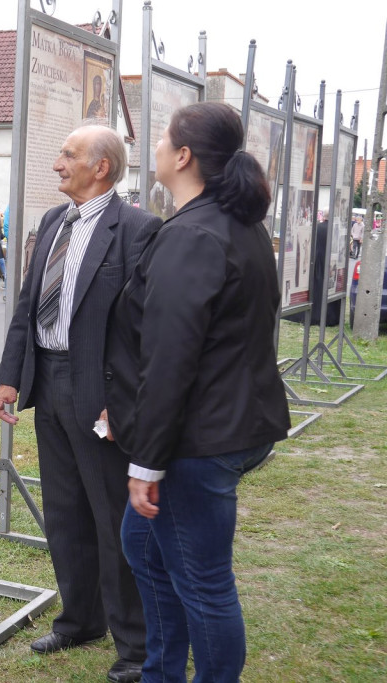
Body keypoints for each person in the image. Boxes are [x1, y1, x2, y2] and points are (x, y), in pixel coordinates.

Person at [102, 102, 290, 682]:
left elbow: (171, 360)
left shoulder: (195, 234)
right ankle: (162, 672)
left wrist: (148, 463)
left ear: (183, 156)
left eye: (162, 139)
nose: (155, 146)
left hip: (197, 441)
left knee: (205, 585)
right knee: (143, 547)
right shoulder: (232, 224)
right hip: (220, 425)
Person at [0, 124, 161, 683]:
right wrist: (11, 375)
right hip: (49, 385)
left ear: (102, 168)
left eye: (68, 154)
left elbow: (144, 331)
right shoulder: (51, 221)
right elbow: (27, 305)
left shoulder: (137, 229)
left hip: (100, 397)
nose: (58, 163)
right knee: (64, 513)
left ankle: (134, 648)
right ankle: (79, 621)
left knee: (113, 518)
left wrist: (121, 403)